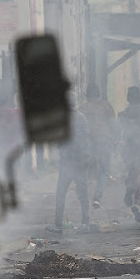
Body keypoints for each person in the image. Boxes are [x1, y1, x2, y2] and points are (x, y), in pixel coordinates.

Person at [47, 92, 91, 233]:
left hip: (67, 161)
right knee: (83, 193)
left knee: (60, 193)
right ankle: (85, 223)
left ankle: (58, 225)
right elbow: (86, 140)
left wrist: (55, 158)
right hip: (79, 161)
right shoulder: (82, 118)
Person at [81, 83, 117, 208]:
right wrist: (116, 140)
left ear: (87, 95)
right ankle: (97, 197)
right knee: (103, 170)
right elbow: (113, 124)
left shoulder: (83, 108)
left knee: (87, 170)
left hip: (88, 141)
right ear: (98, 94)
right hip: (104, 139)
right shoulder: (106, 105)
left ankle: (83, 195)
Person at [118, 87, 140, 222]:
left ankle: (129, 189)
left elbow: (122, 131)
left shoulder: (124, 113)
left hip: (128, 148)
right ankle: (137, 204)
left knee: (132, 173)